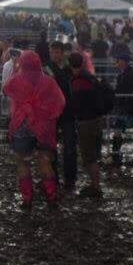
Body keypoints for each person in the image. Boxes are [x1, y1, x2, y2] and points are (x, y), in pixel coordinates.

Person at [3, 51, 66, 208]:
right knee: (45, 162)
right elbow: (60, 103)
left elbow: (5, 90)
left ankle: (27, 199)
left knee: (23, 162)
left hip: (21, 127)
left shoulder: (16, 80)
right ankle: (51, 197)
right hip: (43, 128)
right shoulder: (49, 82)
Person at [68, 52, 106, 199]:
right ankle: (95, 184)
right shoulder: (89, 77)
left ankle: (95, 186)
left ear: (70, 64)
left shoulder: (79, 81)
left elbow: (78, 104)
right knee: (94, 155)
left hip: (86, 121)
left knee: (89, 156)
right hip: (96, 119)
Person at [45, 41, 77, 191]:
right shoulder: (46, 69)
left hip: (68, 112)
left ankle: (70, 179)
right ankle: (53, 178)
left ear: (63, 53)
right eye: (52, 52)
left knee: (69, 147)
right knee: (51, 146)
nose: (54, 55)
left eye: (57, 52)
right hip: (52, 113)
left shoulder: (68, 70)